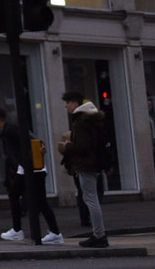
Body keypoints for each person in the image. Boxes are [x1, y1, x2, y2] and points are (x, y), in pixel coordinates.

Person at [0, 106, 61, 244]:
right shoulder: (9, 131)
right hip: (27, 168)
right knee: (26, 197)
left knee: (27, 198)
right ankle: (52, 232)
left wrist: (38, 149)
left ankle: (20, 231)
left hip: (30, 169)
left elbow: (29, 140)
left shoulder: (10, 130)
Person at [61, 90, 113, 248]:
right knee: (92, 198)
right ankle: (99, 233)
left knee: (90, 199)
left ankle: (99, 235)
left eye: (68, 103)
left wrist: (68, 146)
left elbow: (83, 147)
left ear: (75, 104)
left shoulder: (80, 122)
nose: (66, 106)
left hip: (86, 164)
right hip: (93, 163)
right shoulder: (91, 120)